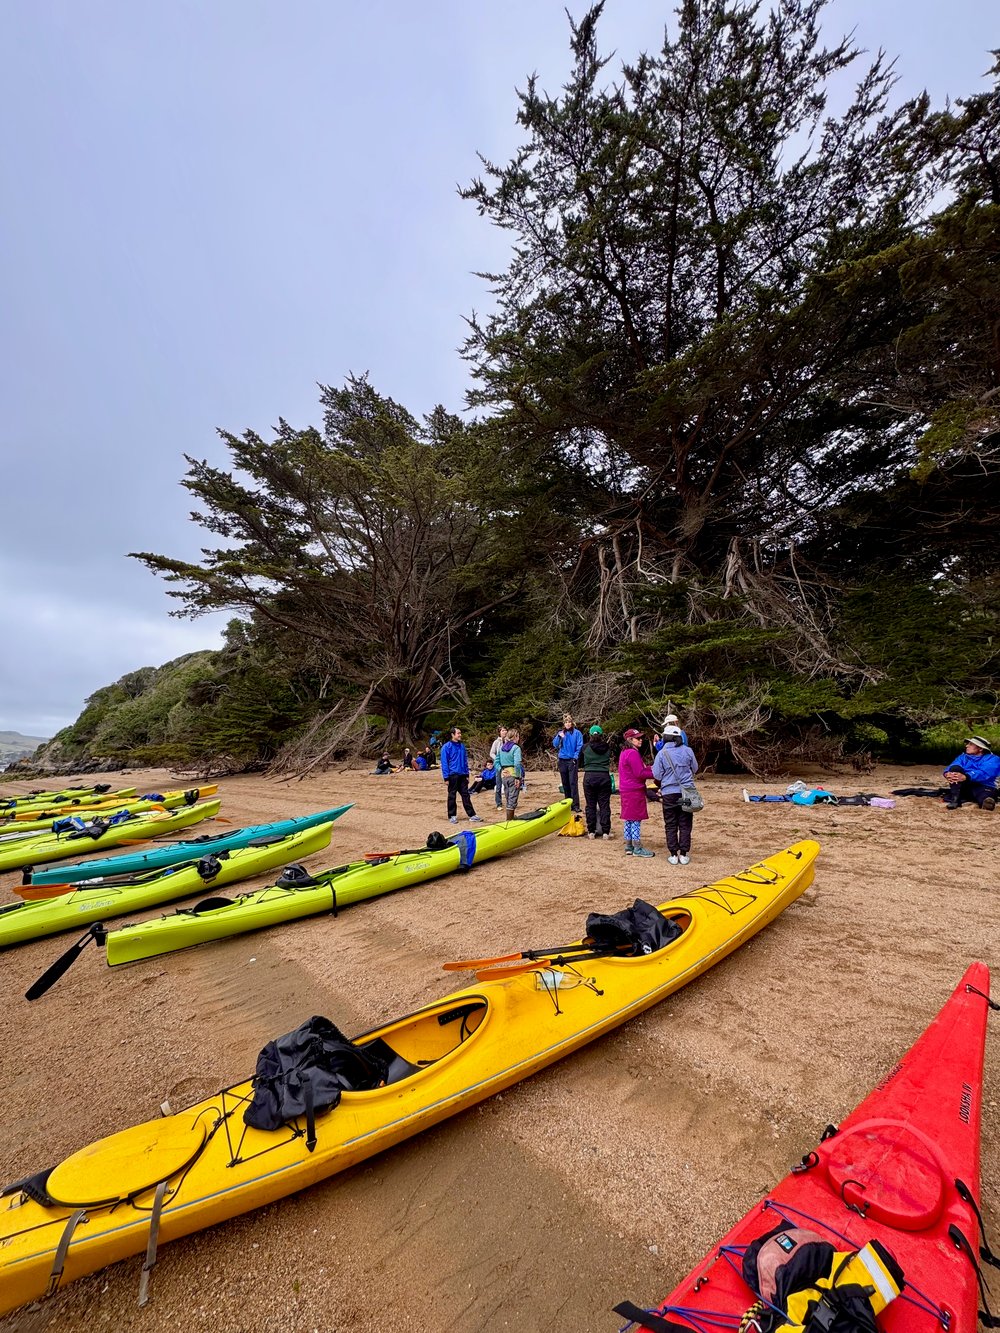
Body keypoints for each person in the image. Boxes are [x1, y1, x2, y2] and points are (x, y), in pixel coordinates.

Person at [652, 725, 699, 864]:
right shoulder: (688, 751)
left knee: (671, 823)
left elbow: (657, 774)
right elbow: (695, 768)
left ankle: (673, 854)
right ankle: (684, 854)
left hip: (669, 793)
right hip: (686, 793)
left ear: (665, 737)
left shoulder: (661, 753)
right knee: (685, 822)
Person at [618, 728, 655, 857]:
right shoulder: (632, 753)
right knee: (636, 819)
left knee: (629, 819)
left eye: (640, 738)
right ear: (630, 740)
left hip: (626, 789)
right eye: (637, 738)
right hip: (634, 790)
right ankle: (637, 847)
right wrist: (655, 772)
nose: (640, 740)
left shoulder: (624, 752)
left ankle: (629, 845)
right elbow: (640, 773)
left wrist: (648, 768)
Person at [943, 737, 1000, 810]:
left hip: (984, 786)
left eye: (971, 744)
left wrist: (966, 776)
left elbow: (984, 773)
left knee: (984, 795)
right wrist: (947, 774)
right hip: (965, 785)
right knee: (955, 768)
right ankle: (955, 799)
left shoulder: (993, 759)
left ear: (980, 749)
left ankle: (985, 802)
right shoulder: (962, 757)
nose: (967, 746)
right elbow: (953, 766)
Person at [439, 726, 483, 824]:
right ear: (452, 735)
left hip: (462, 775)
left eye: (460, 733)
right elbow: (444, 763)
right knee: (452, 796)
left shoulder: (462, 746)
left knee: (466, 795)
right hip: (452, 775)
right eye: (458, 733)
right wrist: (446, 777)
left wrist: (467, 773)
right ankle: (452, 816)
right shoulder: (446, 747)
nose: (460, 735)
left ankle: (472, 815)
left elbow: (465, 761)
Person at [581, 724, 613, 838]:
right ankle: (605, 831)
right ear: (601, 735)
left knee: (590, 805)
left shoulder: (585, 747)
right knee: (604, 805)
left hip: (589, 776)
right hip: (604, 776)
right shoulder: (607, 747)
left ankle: (591, 831)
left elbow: (580, 762)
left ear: (590, 735)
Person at [553, 713, 584, 812]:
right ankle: (567, 804)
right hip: (562, 760)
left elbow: (579, 745)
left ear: (572, 723)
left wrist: (575, 757)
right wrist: (559, 736)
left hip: (572, 760)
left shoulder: (577, 733)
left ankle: (575, 805)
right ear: (564, 723)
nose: (568, 724)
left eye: (569, 722)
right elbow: (555, 745)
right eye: (566, 722)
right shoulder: (561, 733)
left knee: (573, 783)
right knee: (565, 783)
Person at [496, 726, 524, 819]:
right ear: (515, 737)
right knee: (513, 798)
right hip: (513, 775)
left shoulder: (501, 748)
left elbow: (496, 762)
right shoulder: (516, 748)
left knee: (508, 797)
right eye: (518, 736)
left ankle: (511, 817)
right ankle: (509, 820)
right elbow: (517, 764)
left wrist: (501, 769)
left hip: (504, 776)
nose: (519, 738)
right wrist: (517, 777)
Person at [489, 725, 509, 810]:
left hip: (507, 765)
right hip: (498, 765)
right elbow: (492, 753)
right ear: (499, 732)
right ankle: (499, 803)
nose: (504, 732)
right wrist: (497, 759)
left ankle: (509, 802)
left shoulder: (509, 741)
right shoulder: (496, 742)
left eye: (505, 730)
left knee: (507, 784)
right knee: (498, 784)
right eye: (503, 730)